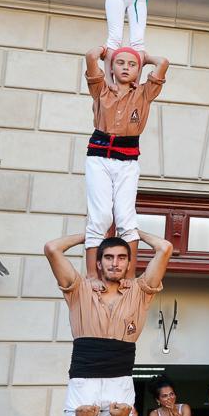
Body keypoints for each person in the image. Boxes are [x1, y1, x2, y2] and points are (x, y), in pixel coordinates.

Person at [44, 229, 172, 416]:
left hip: (119, 381)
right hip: (84, 381)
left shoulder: (140, 291)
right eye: (109, 257)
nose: (115, 263)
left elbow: (164, 248)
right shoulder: (79, 289)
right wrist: (89, 235)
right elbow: (53, 248)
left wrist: (134, 232)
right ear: (99, 263)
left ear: (129, 263)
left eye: (122, 257)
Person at [76, 45, 169, 283]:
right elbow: (90, 58)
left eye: (132, 64)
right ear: (112, 68)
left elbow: (163, 62)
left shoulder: (144, 94)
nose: (126, 68)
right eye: (121, 63)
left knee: (126, 218)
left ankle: (128, 275)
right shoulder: (101, 90)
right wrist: (104, 53)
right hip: (99, 157)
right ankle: (91, 275)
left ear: (139, 70)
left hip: (127, 160)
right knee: (100, 217)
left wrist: (146, 57)